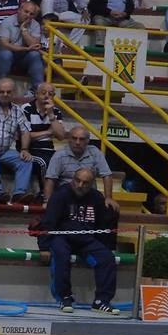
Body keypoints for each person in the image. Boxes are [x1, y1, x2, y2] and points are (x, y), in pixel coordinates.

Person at [41, 167, 121, 315]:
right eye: (77, 180)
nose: (80, 185)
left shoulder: (97, 198)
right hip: (62, 236)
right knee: (61, 254)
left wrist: (106, 247)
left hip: (87, 239)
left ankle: (101, 301)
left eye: (85, 183)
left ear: (91, 184)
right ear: (73, 180)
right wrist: (44, 247)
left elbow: (102, 226)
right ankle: (64, 297)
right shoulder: (60, 195)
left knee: (107, 258)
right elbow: (48, 222)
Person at [43, 126, 118, 212]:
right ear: (68, 139)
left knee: (110, 208)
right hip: (66, 196)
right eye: (74, 138)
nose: (77, 142)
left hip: (89, 194)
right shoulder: (59, 155)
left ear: (87, 141)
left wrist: (108, 198)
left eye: (81, 139)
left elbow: (107, 175)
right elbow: (50, 179)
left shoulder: (95, 152)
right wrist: (48, 201)